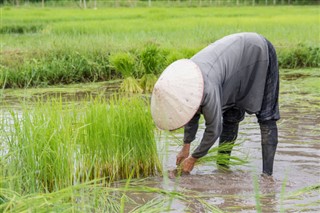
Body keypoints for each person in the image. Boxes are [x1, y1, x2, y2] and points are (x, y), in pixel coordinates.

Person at [151, 32, 280, 176]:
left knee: (267, 117)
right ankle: (223, 169)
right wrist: (185, 146)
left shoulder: (207, 88)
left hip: (257, 52)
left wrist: (193, 158)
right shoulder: (188, 82)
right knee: (231, 115)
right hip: (233, 65)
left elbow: (214, 129)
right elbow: (190, 111)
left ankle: (267, 176)